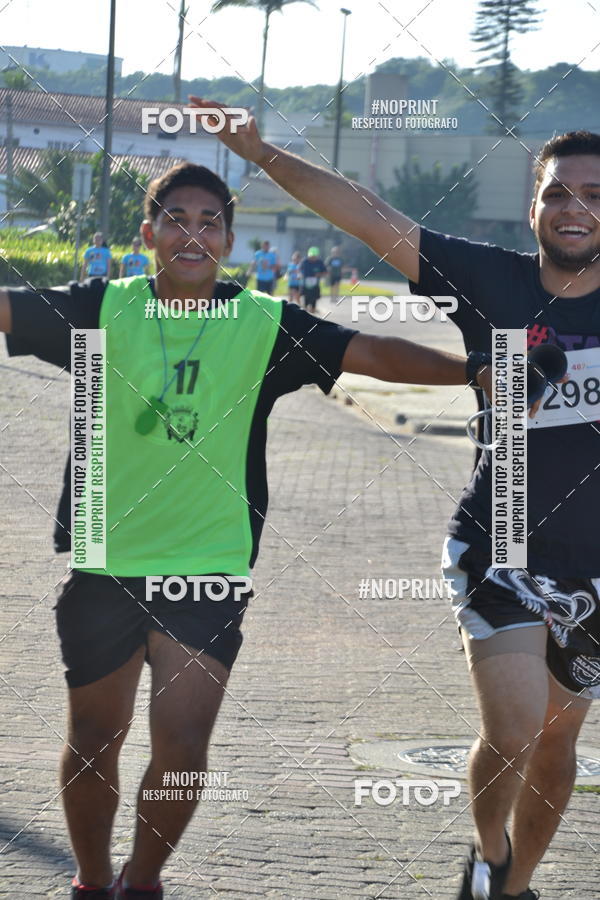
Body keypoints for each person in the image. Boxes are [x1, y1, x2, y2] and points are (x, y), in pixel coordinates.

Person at [0, 160, 490, 900]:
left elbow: (366, 351)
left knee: (184, 750)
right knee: (96, 741)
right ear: (148, 232)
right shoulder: (103, 308)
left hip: (209, 566)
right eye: (176, 219)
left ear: (229, 238)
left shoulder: (261, 322)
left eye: (209, 222)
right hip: (106, 563)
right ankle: (93, 883)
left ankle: (143, 882)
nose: (192, 234)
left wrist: (474, 372)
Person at [190, 96, 600, 900]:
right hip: (502, 541)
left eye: (592, 194)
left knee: (557, 748)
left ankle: (513, 888)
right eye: (557, 192)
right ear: (533, 208)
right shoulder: (493, 281)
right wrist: (262, 153)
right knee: (514, 731)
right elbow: (370, 217)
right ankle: (488, 856)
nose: (574, 208)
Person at [300, 246, 327, 313]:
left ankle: (313, 314)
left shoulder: (320, 262)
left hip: (315, 285)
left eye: (314, 256)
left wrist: (319, 274)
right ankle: (305, 316)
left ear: (317, 256)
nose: (312, 258)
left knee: (313, 301)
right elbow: (299, 270)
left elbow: (325, 272)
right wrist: (300, 275)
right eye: (311, 256)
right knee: (306, 301)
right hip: (306, 284)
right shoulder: (305, 261)